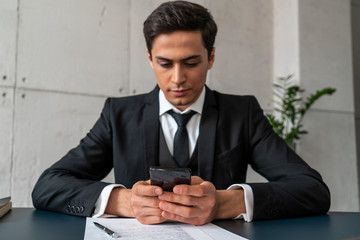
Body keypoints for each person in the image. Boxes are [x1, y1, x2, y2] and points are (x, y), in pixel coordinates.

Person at [32, 0, 330, 226]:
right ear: (150, 59)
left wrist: (227, 202)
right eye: (165, 63)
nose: (177, 78)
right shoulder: (118, 114)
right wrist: (121, 200)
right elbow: (48, 186)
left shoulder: (243, 113)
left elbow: (313, 190)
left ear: (211, 57)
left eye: (190, 63)